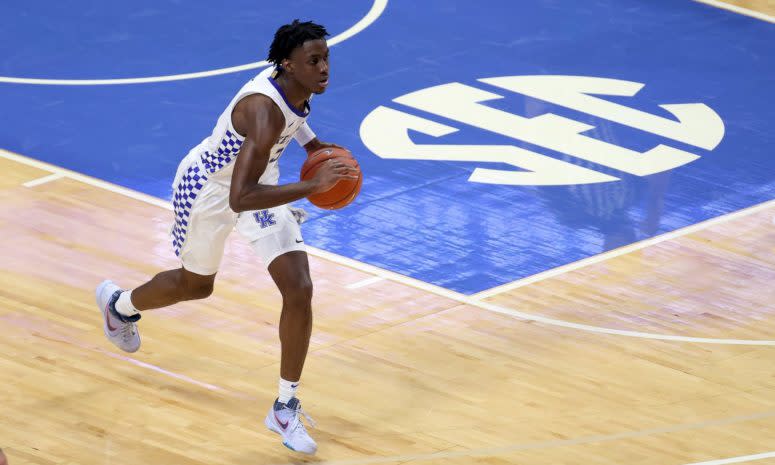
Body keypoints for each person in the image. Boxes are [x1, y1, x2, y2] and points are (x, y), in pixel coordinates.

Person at [95, 19, 357, 455]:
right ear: (288, 66)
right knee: (195, 286)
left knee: (300, 287)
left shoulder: (295, 90)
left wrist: (314, 147)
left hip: (259, 184)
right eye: (315, 61)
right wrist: (312, 186)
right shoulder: (263, 110)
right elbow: (241, 197)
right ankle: (120, 306)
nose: (325, 67)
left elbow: (293, 122)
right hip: (212, 191)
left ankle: (284, 405)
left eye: (326, 57)